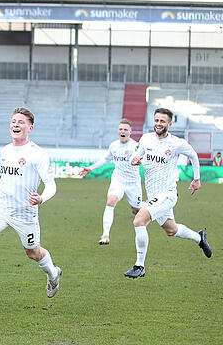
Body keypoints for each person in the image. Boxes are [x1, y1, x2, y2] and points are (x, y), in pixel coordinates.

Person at [0, 107, 61, 302]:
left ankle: (53, 274)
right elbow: (5, 179)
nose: (16, 124)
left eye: (21, 122)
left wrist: (41, 198)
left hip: (24, 213)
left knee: (33, 253)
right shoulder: (6, 150)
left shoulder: (37, 154)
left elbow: (51, 185)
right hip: (1, 208)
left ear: (30, 128)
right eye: (14, 121)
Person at [125, 108, 213, 278]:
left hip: (168, 194)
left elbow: (193, 155)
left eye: (162, 121)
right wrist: (134, 160)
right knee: (171, 230)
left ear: (169, 124)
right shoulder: (146, 139)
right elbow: (136, 156)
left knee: (139, 220)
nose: (158, 124)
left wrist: (196, 179)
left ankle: (139, 266)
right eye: (156, 120)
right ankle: (199, 238)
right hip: (153, 195)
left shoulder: (176, 143)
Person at [79, 119, 142, 245]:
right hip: (118, 180)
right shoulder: (114, 146)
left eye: (125, 129)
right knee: (111, 201)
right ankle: (105, 235)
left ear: (130, 132)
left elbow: (144, 160)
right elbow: (106, 159)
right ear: (118, 131)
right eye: (120, 129)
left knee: (136, 210)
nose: (122, 131)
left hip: (133, 183)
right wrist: (90, 168)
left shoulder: (136, 146)